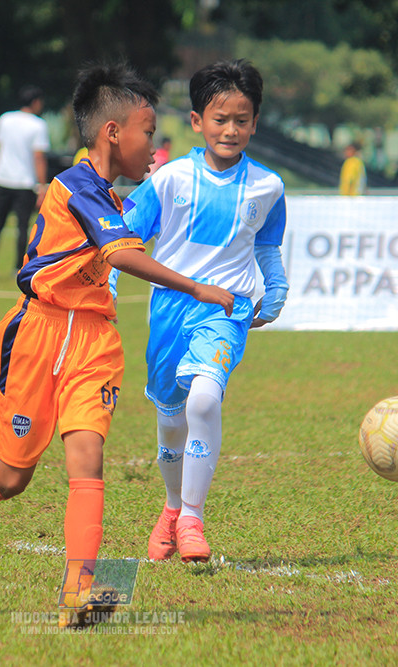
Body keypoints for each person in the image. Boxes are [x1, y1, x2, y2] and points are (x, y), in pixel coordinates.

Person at [0, 63, 234, 626]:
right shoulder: (74, 186)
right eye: (149, 132)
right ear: (112, 132)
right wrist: (196, 287)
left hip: (93, 340)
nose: (156, 146)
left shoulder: (115, 195)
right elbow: (120, 254)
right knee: (13, 477)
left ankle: (80, 591)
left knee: (87, 457)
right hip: (38, 334)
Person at [114, 59, 287, 564]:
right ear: (197, 121)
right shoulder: (169, 179)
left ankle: (192, 518)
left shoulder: (268, 187)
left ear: (255, 123)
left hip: (227, 309)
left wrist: (274, 287)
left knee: (205, 401)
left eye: (241, 119)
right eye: (219, 119)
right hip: (170, 310)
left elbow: (268, 244)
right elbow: (122, 235)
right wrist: (105, 282)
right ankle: (170, 509)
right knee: (170, 424)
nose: (230, 130)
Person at [0, 85, 51, 277]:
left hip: (3, 178)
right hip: (25, 182)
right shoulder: (38, 125)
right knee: (22, 227)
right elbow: (39, 157)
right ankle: (17, 266)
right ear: (36, 102)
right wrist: (42, 185)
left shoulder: (5, 119)